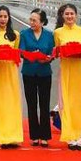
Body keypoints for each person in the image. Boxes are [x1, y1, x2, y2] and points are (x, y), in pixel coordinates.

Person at [54, 3, 81, 150]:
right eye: (67, 14)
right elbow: (57, 51)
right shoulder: (58, 32)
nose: (69, 16)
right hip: (65, 70)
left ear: (76, 15)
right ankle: (70, 137)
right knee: (66, 103)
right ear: (62, 16)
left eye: (72, 14)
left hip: (79, 70)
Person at [0, 6, 23, 148]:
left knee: (12, 104)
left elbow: (17, 53)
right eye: (0, 16)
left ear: (9, 18)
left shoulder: (15, 35)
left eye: (5, 16)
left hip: (11, 72)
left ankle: (14, 137)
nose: (3, 19)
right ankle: (2, 137)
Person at [19, 8, 54, 147]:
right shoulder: (24, 34)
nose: (32, 22)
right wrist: (31, 55)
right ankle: (34, 136)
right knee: (31, 104)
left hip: (44, 72)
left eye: (35, 20)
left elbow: (52, 52)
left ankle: (45, 136)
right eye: (31, 20)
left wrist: (48, 58)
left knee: (44, 104)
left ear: (42, 22)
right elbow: (22, 52)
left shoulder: (49, 35)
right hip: (29, 72)